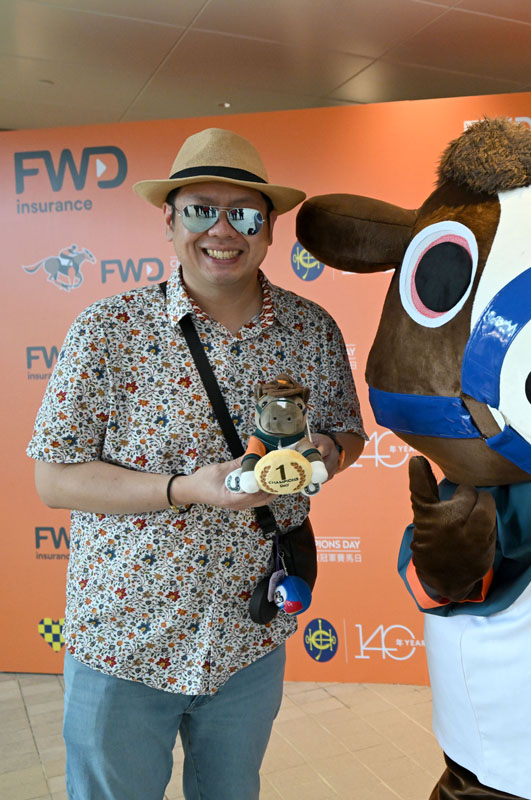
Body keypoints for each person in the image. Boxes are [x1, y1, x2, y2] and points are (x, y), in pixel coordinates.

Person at [28, 127, 366, 800]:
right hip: (125, 637)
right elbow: (54, 479)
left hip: (248, 636)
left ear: (269, 229)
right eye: (201, 210)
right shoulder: (108, 329)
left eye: (245, 215)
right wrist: (187, 488)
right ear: (169, 220)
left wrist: (326, 455)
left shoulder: (311, 329)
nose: (223, 230)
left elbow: (345, 432)